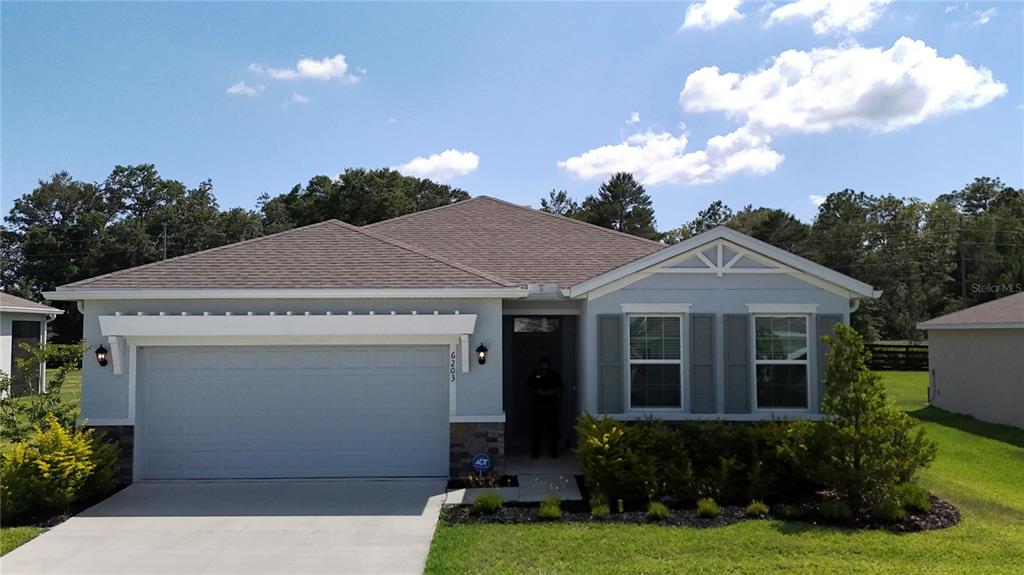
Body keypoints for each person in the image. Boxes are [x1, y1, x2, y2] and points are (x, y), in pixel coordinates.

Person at [527, 357, 563, 459]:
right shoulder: (534, 374)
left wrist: (552, 392)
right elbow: (528, 388)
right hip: (537, 406)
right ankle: (535, 453)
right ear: (539, 364)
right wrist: (537, 391)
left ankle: (554, 452)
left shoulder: (554, 374)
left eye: (545, 364)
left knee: (552, 430)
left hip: (551, 406)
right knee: (535, 430)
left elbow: (561, 388)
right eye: (542, 364)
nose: (544, 365)